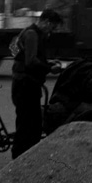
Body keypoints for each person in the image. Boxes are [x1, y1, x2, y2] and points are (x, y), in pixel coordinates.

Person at [11, 9, 63, 159]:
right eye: (52, 27)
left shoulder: (29, 32)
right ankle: (18, 158)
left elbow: (22, 54)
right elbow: (31, 61)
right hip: (25, 86)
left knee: (30, 123)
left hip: (24, 83)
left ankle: (25, 157)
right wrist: (49, 68)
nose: (51, 31)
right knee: (27, 126)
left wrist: (48, 63)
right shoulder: (32, 35)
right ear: (46, 22)